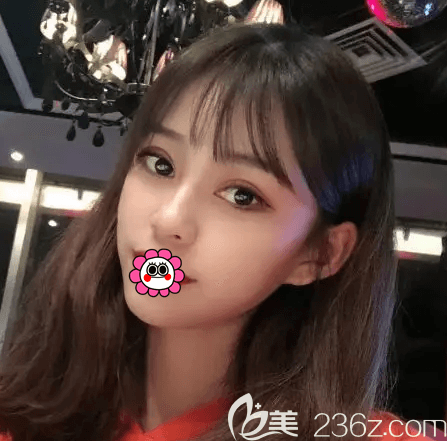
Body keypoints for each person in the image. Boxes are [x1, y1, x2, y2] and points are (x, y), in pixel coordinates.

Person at [0, 22, 438, 441]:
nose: (169, 220)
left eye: (242, 195)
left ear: (320, 253)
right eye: (160, 164)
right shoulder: (24, 415)